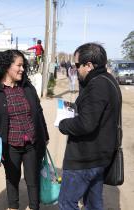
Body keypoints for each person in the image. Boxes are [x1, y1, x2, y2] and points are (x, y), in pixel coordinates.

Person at [58, 43, 122, 210]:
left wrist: (63, 124)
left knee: (67, 202)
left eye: (77, 65)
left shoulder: (97, 85)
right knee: (94, 204)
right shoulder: (107, 80)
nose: (75, 68)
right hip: (99, 158)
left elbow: (86, 124)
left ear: (89, 65)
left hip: (85, 159)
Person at [0, 50, 49, 210]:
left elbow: (39, 112)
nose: (22, 69)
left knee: (33, 179)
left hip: (32, 143)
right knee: (12, 179)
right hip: (10, 145)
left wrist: (45, 135)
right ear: (7, 66)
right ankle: (13, 207)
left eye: (23, 65)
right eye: (19, 65)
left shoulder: (27, 87)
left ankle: (35, 207)